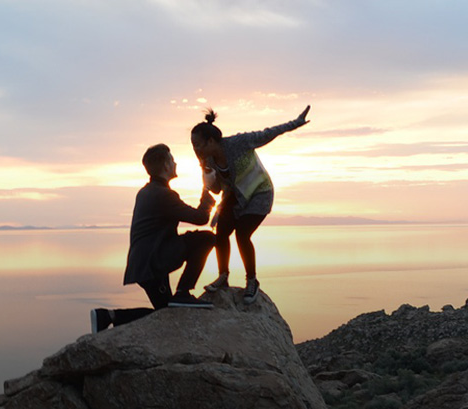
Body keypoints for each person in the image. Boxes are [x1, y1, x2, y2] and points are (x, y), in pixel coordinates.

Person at [90, 143, 217, 333]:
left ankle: (108, 316)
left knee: (165, 312)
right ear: (166, 165)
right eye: (172, 160)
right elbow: (201, 218)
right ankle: (183, 292)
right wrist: (207, 190)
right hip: (152, 264)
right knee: (207, 238)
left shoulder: (147, 191)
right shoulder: (163, 195)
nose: (175, 163)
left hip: (145, 263)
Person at [190, 105, 311, 304]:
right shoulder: (208, 159)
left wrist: (295, 123)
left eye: (198, 144)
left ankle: (252, 282)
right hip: (236, 196)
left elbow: (267, 133)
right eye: (193, 145)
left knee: (242, 233)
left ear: (210, 141)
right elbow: (218, 190)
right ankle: (223, 276)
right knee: (221, 232)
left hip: (259, 192)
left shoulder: (238, 143)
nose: (195, 149)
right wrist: (207, 175)